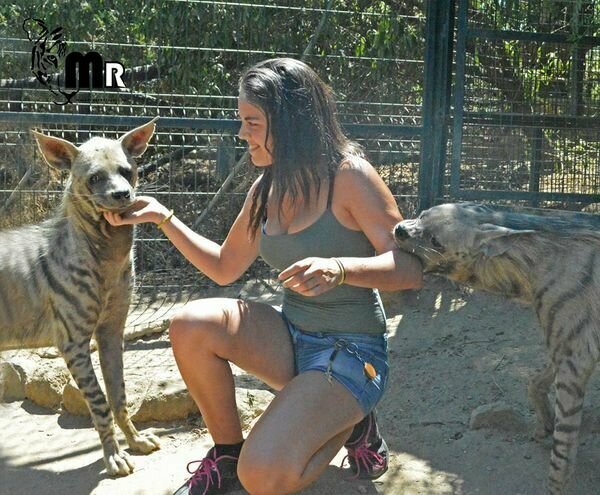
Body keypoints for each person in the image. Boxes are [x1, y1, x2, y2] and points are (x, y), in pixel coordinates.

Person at [104, 57, 423, 495]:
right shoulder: (266, 188)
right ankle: (227, 454)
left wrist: (342, 269)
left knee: (265, 478)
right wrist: (164, 218)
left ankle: (353, 423)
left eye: (252, 122)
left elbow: (409, 268)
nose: (241, 134)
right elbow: (224, 267)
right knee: (191, 324)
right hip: (291, 337)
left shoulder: (350, 177)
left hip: (353, 351)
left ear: (289, 123)